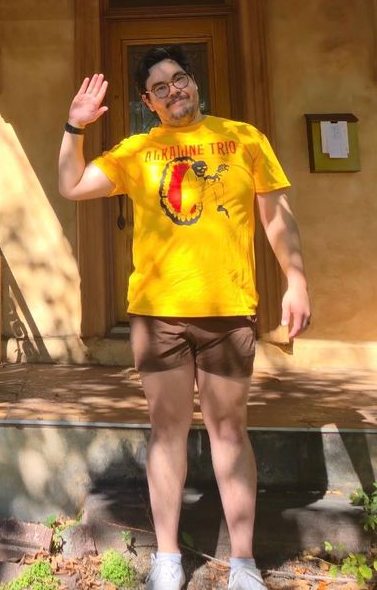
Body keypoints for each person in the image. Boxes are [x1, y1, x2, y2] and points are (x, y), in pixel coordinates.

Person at [58, 46, 311, 590]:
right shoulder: (138, 150)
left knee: (229, 431)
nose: (176, 89)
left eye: (181, 78)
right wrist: (74, 128)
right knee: (167, 432)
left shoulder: (244, 137)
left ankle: (242, 563)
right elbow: (71, 186)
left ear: (193, 84)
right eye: (161, 86)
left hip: (227, 310)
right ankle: (168, 558)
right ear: (148, 103)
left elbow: (277, 216)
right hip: (159, 314)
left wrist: (296, 279)